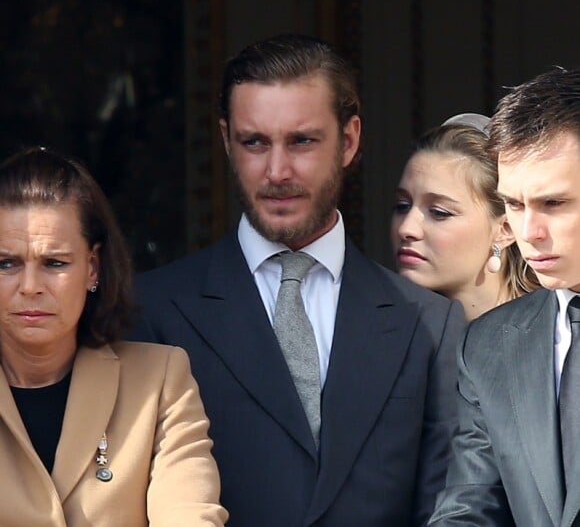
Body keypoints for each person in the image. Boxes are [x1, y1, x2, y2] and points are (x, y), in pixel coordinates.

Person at [131, 33, 465, 526]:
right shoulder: (154, 309)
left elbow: (449, 507)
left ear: (349, 140)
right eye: (254, 143)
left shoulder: (430, 322)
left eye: (302, 141)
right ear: (226, 141)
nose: (277, 170)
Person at [0, 147, 227, 526]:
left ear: (92, 268)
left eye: (54, 263)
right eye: (7, 263)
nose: (30, 286)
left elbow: (191, 514)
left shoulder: (158, 381)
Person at [429, 66, 580, 526]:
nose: (528, 233)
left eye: (553, 203)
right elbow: (470, 507)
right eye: (514, 205)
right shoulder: (489, 345)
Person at [391, 113, 538, 320]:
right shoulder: (388, 334)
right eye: (402, 206)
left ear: (505, 229)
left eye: (439, 212)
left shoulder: (560, 335)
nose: (406, 229)